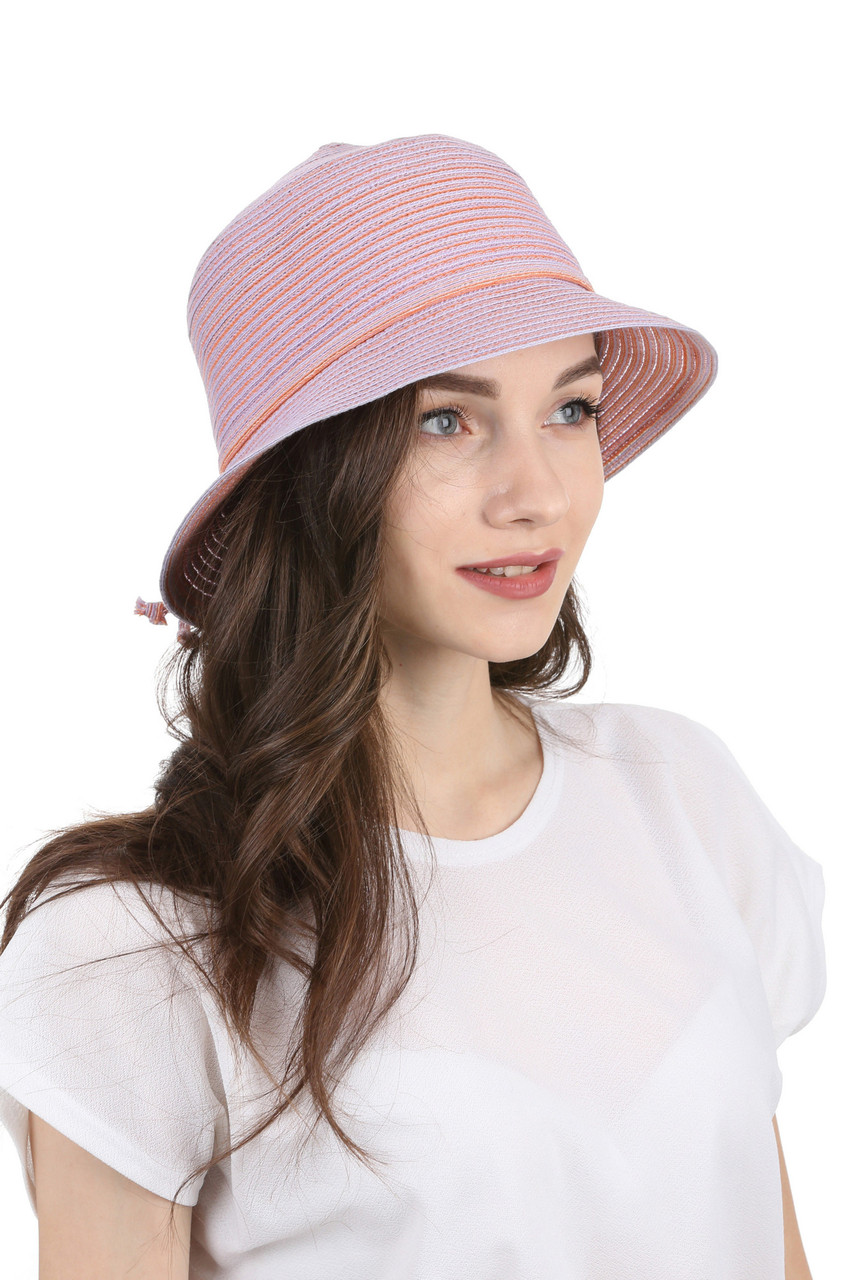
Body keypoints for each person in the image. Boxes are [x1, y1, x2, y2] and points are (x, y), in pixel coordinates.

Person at [0, 133, 826, 1280]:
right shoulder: (132, 942)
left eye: (570, 408)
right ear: (312, 473)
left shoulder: (683, 793)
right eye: (446, 419)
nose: (536, 493)